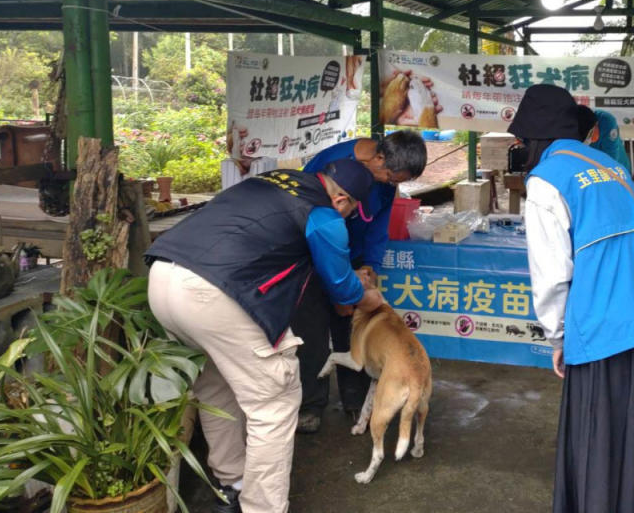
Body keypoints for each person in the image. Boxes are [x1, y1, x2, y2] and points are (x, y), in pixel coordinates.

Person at [145, 159, 382, 513]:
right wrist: (367, 297)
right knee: (274, 401)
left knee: (216, 387)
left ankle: (232, 484)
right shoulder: (325, 215)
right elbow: (340, 285)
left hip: (163, 277)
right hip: (216, 294)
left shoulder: (275, 179)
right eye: (352, 211)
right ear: (343, 200)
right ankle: (263, 507)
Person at [508, 84, 634, 513]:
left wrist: (557, 336)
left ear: (532, 139)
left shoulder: (546, 183)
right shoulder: (610, 167)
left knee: (601, 433)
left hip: (602, 325)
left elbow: (552, 275)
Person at [294, 130, 428, 433]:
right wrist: (339, 288)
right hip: (315, 251)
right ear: (379, 158)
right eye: (392, 178)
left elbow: (378, 228)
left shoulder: (385, 182)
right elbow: (307, 215)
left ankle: (354, 401)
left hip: (352, 258)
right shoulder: (328, 164)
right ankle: (310, 405)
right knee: (311, 330)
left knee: (354, 328)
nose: (391, 185)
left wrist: (370, 265)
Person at [577, 105, 632, 174]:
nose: (588, 141)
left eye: (590, 135)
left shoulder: (606, 121)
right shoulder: (572, 126)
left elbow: (611, 160)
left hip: (618, 170)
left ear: (596, 124)